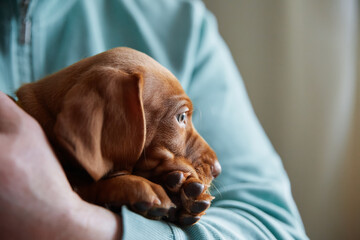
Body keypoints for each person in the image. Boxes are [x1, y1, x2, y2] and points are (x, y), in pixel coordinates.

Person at [0, 0, 308, 239]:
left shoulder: (180, 23)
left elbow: (275, 228)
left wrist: (73, 224)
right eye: (181, 118)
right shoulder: (111, 97)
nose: (215, 166)